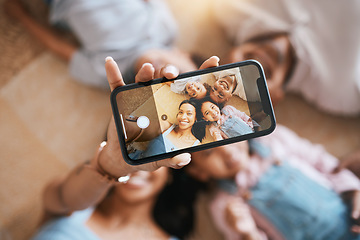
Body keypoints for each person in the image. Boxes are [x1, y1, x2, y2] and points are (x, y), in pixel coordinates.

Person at [30, 55, 220, 239]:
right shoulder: (73, 207)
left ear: (171, 172)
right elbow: (64, 198)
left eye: (152, 151)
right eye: (136, 147)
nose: (137, 170)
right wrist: (111, 165)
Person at [186, 125, 360, 240]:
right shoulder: (223, 205)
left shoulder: (273, 139)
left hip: (348, 216)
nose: (225, 150)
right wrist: (248, 233)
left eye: (224, 135)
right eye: (208, 153)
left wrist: (354, 192)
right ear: (198, 172)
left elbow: (321, 161)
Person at [212, 0, 360, 116]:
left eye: (230, 78)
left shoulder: (231, 7)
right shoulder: (339, 92)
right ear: (273, 102)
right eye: (246, 92)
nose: (249, 72)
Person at [4, 0, 197, 88]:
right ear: (182, 54)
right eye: (177, 72)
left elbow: (58, 47)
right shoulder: (166, 29)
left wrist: (21, 16)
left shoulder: (110, 73)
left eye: (162, 84)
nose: (162, 73)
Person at [140, 99, 206, 158]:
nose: (183, 117)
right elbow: (143, 130)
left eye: (189, 113)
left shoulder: (196, 145)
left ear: (196, 118)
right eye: (181, 112)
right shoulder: (166, 126)